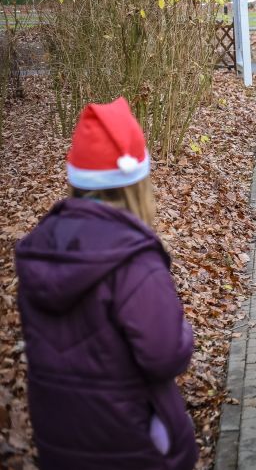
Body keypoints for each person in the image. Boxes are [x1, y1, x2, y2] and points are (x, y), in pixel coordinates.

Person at [15, 97, 198, 470]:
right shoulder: (135, 262)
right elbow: (165, 355)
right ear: (137, 185)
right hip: (132, 442)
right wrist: (183, 331)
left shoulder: (41, 249)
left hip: (59, 440)